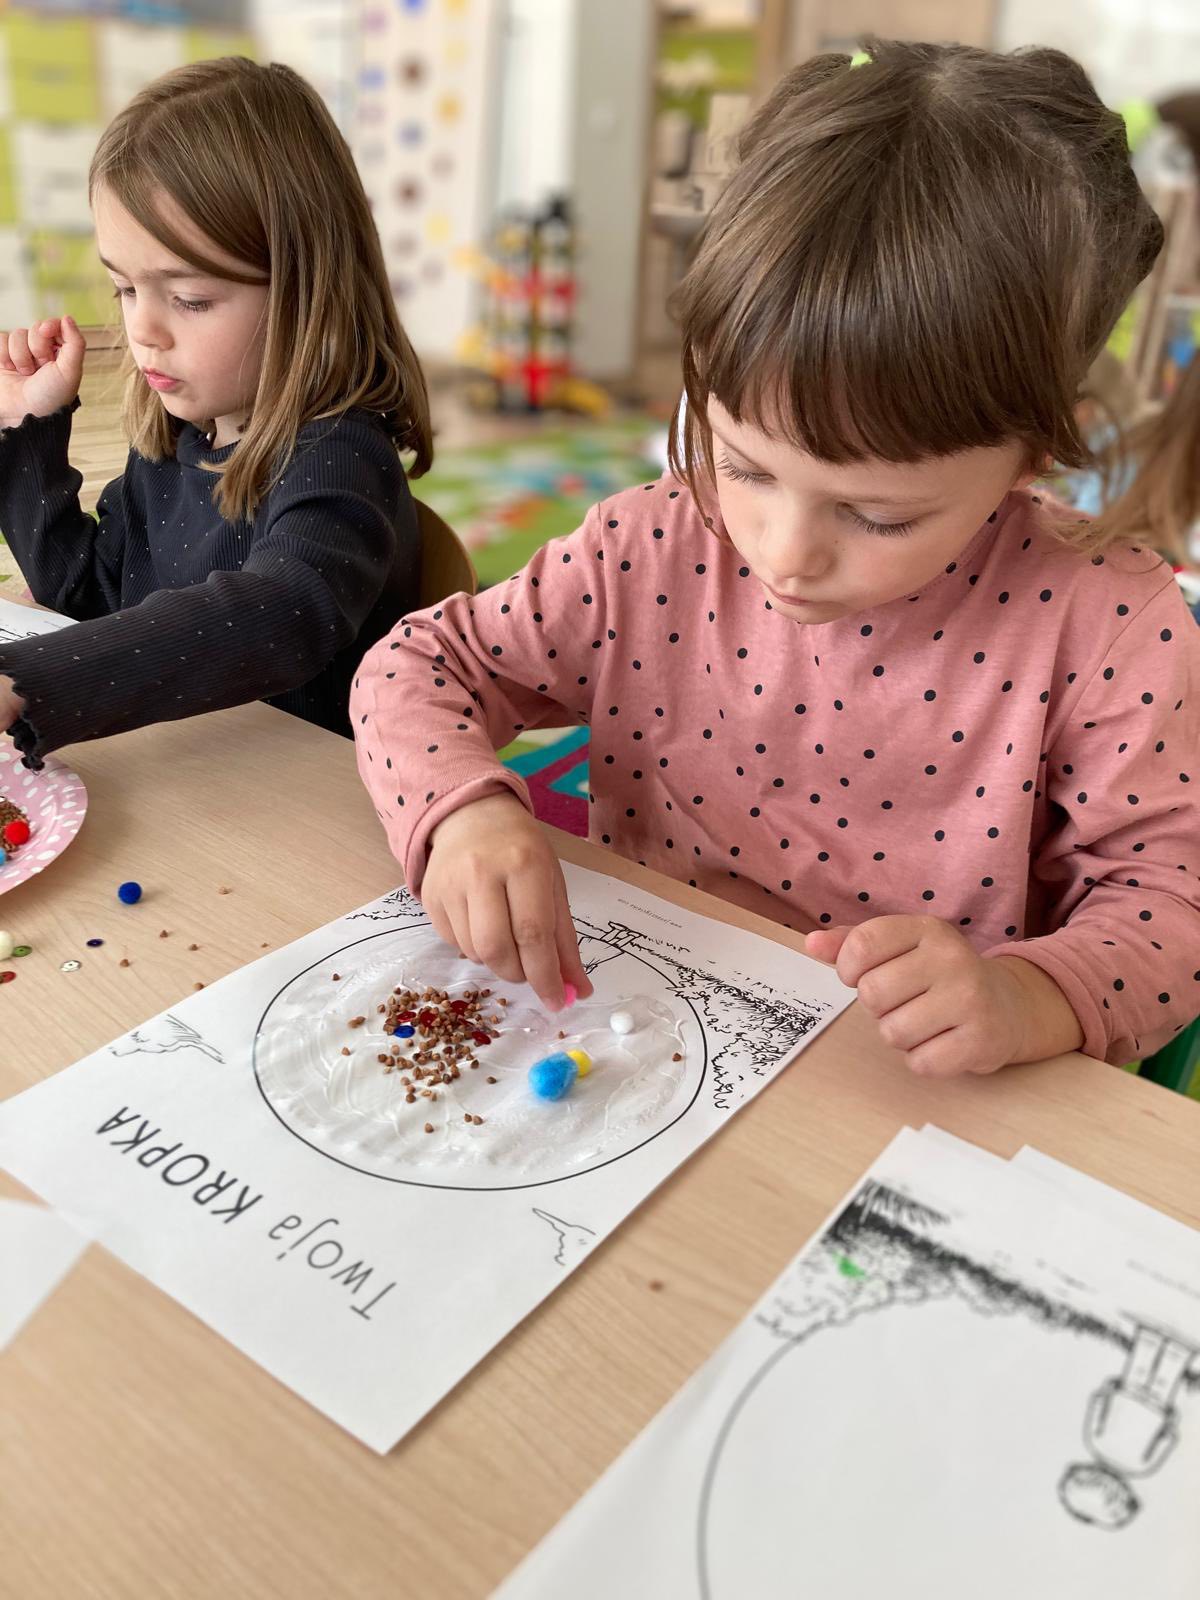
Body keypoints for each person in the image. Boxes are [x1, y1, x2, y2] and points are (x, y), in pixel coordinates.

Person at [352, 40, 1199, 1077]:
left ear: (1037, 451)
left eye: (877, 516)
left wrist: (1030, 996)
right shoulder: (650, 547)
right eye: (745, 466)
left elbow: (1170, 903)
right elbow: (419, 665)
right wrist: (462, 811)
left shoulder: (1110, 625)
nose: (784, 556)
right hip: (642, 1040)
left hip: (906, 1090)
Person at [0, 56, 431, 767]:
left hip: (309, 798)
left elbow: (285, 611)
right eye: (124, 289)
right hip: (195, 770)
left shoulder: (340, 456)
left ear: (304, 290)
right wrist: (27, 432)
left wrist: (31, 679)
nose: (143, 330)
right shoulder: (176, 440)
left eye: (189, 299)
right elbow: (87, 594)